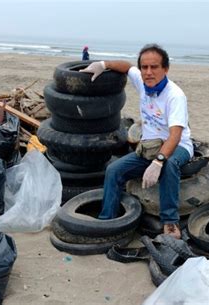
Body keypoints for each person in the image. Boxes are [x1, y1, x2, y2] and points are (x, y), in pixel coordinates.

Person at [80, 43, 193, 239]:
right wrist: (102, 64)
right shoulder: (142, 81)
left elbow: (175, 135)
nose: (148, 72)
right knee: (114, 170)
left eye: (154, 67)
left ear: (165, 69)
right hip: (149, 146)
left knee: (169, 165)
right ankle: (108, 221)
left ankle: (170, 223)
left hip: (178, 146)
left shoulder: (175, 96)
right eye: (144, 67)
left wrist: (158, 162)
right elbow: (125, 66)